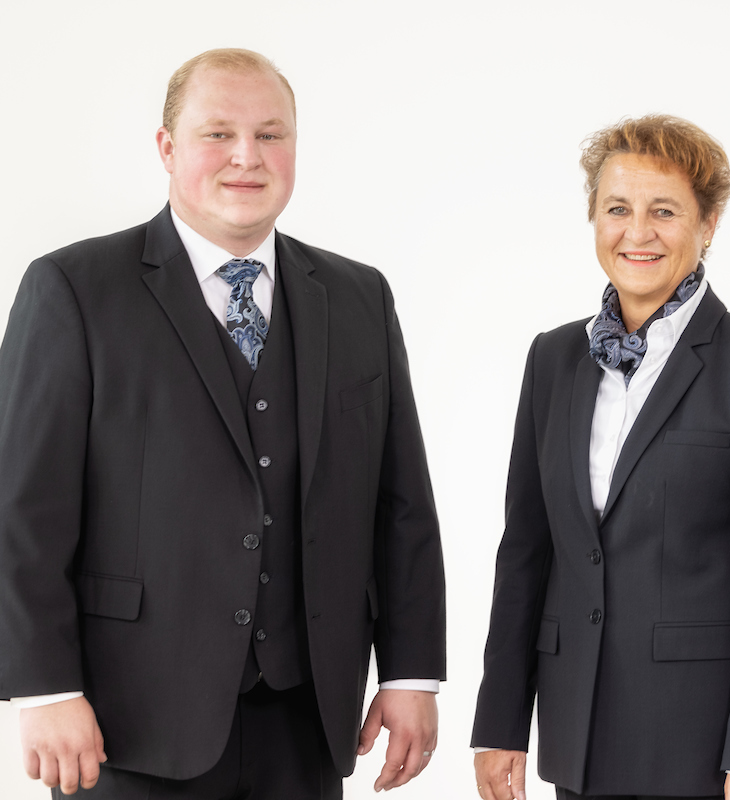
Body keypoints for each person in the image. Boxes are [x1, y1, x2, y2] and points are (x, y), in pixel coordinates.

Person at [0, 48, 445, 797]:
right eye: (218, 134)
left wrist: (410, 674)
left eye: (271, 134)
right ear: (167, 148)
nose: (247, 156)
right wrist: (43, 688)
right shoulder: (74, 289)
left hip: (307, 716)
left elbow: (402, 506)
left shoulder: (359, 296)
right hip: (127, 720)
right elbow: (21, 507)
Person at [470, 115, 730, 800]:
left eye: (664, 211)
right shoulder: (553, 357)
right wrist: (500, 723)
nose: (637, 232)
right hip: (575, 739)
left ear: (708, 223)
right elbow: (526, 552)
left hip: (702, 750)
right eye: (617, 209)